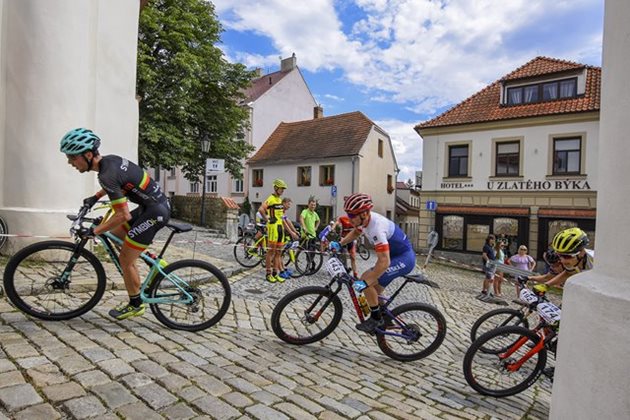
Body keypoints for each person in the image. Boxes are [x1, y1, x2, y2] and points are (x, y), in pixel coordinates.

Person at [61, 128, 170, 320]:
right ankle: (155, 262)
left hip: (155, 212)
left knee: (125, 260)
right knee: (118, 235)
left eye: (72, 157)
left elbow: (123, 215)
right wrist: (95, 197)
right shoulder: (109, 162)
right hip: (151, 206)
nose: (70, 163)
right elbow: (117, 184)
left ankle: (135, 304)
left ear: (87, 155)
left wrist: (94, 231)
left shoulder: (106, 175)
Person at [333, 193, 415, 333]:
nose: (349, 218)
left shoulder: (377, 227)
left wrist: (365, 282)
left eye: (352, 216)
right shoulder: (364, 221)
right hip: (392, 257)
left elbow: (384, 262)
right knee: (373, 292)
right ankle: (386, 320)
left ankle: (376, 318)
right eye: (348, 214)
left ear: (364, 214)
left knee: (365, 281)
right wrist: (340, 243)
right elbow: (356, 232)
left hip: (403, 259)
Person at [258, 178, 288, 283]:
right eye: (281, 188)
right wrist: (267, 220)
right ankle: (268, 274)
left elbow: (282, 215)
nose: (283, 190)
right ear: (276, 188)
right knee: (271, 252)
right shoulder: (270, 198)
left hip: (280, 228)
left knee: (279, 252)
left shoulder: (279, 200)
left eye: (283, 189)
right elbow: (261, 209)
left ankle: (275, 274)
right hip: (273, 228)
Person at [277, 197, 300, 279]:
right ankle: (281, 271)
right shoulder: (279, 209)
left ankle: (284, 268)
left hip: (280, 232)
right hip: (275, 230)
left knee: (280, 254)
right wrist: (292, 233)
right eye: (288, 204)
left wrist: (294, 231)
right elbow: (283, 222)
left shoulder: (283, 211)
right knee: (278, 253)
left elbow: (288, 221)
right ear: (284, 203)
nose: (289, 206)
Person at [478, 234, 496, 301]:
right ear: (489, 240)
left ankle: (487, 290)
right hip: (488, 264)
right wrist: (488, 261)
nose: (493, 240)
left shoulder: (491, 247)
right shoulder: (486, 246)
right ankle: (484, 290)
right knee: (488, 278)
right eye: (491, 239)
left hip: (492, 264)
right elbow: (484, 255)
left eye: (493, 239)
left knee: (490, 278)